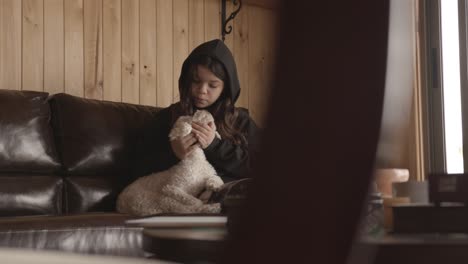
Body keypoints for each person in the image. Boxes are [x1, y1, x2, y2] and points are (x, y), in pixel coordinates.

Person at [131, 39, 260, 184]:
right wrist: (173, 154)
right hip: (178, 196)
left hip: (227, 196)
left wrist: (215, 145)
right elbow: (137, 167)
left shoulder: (240, 120)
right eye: (196, 81)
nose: (202, 91)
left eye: (212, 85)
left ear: (225, 89)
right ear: (187, 80)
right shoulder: (167, 118)